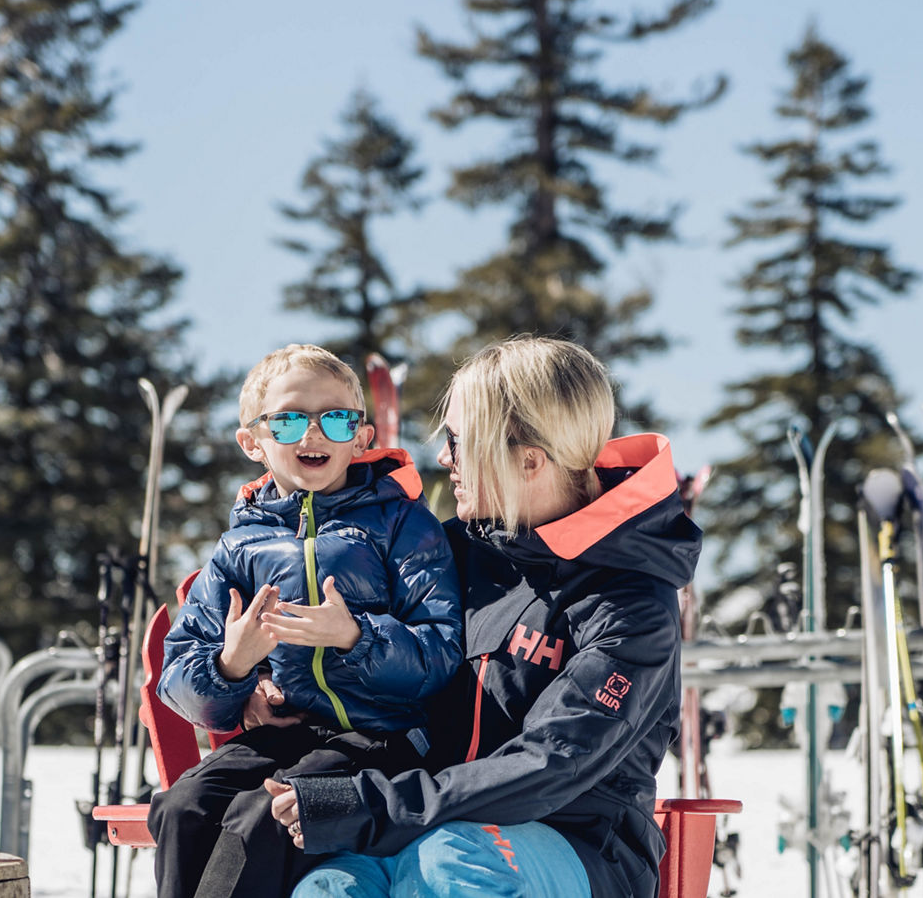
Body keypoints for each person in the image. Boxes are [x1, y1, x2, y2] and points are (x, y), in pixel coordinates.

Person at [266, 335, 702, 898]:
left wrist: (374, 805)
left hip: (575, 844)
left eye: (458, 441)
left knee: (453, 863)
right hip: (413, 824)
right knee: (328, 886)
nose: (444, 458)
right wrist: (265, 680)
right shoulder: (448, 554)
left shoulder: (630, 605)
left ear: (528, 460)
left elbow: (551, 762)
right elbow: (352, 640)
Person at [149, 344, 462, 898]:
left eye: (337, 418)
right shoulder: (240, 545)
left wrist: (356, 638)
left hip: (382, 738)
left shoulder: (401, 524)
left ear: (363, 437)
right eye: (290, 419)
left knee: (264, 814)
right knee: (184, 805)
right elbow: (179, 678)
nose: (312, 435)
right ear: (253, 442)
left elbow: (440, 651)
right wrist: (232, 665)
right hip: (287, 733)